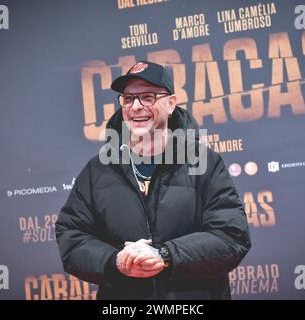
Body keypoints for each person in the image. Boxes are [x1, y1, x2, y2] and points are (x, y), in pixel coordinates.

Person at [55, 60, 251, 299]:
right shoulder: (98, 170)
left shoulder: (205, 163)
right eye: (128, 99)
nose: (136, 107)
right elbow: (72, 237)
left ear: (171, 104)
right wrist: (116, 261)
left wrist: (166, 255)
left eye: (148, 97)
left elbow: (231, 236)